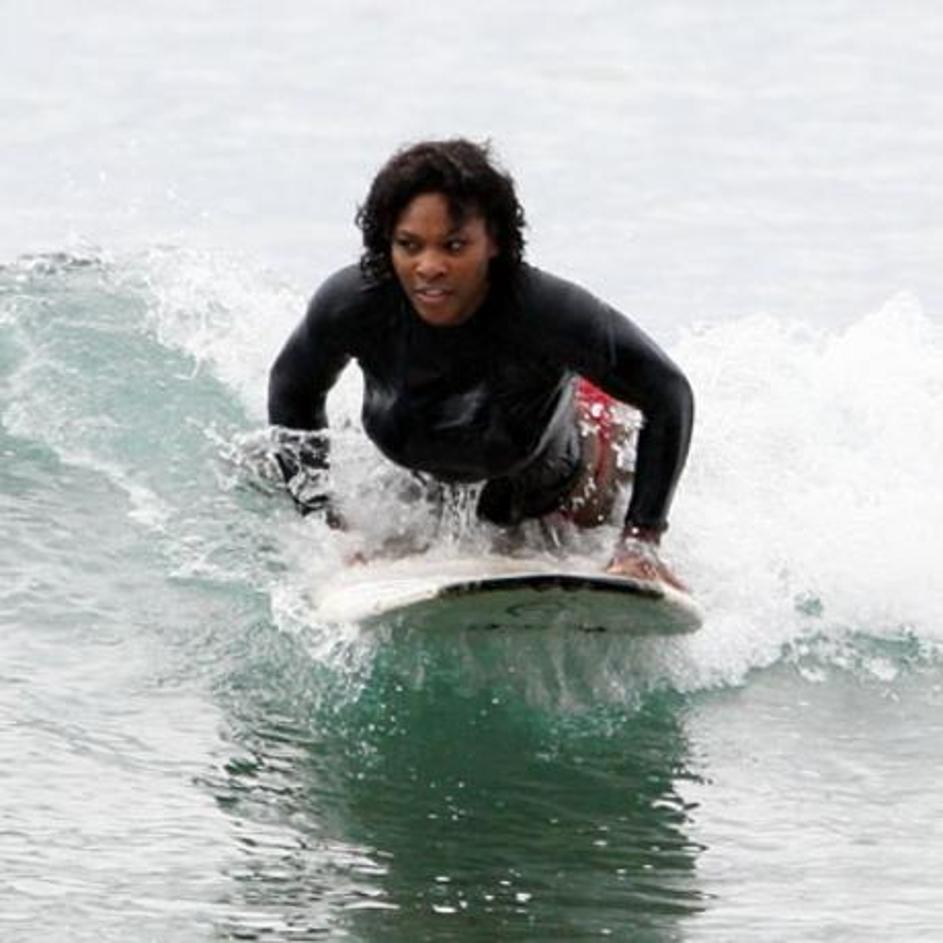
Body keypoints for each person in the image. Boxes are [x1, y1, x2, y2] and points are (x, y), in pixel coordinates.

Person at [268, 139, 694, 589]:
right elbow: (292, 393)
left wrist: (640, 540)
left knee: (595, 454)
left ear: (494, 241)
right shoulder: (353, 306)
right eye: (409, 245)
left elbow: (669, 394)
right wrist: (325, 523)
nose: (429, 266)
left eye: (454, 246)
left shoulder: (549, 314)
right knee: (261, 467)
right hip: (425, 484)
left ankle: (596, 419)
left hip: (562, 492)